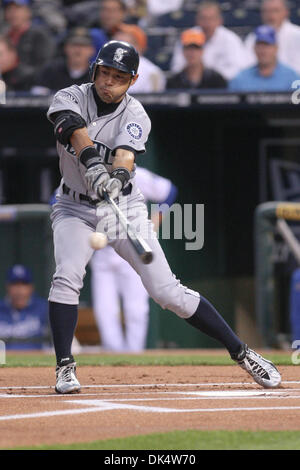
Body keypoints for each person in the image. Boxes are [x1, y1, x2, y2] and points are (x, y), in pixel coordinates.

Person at [46, 39, 281, 394]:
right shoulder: (70, 95)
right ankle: (65, 366)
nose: (108, 81)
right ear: (95, 70)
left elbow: (125, 156)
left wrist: (118, 177)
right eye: (104, 72)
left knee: (167, 292)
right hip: (73, 207)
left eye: (118, 76)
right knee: (66, 277)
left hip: (122, 206)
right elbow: (70, 128)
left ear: (133, 80)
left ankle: (243, 353)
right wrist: (93, 162)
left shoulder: (136, 114)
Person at [90, 166, 177, 352]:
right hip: (103, 251)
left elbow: (169, 191)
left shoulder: (137, 174)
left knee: (136, 310)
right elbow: (56, 199)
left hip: (132, 247)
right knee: (105, 311)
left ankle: (134, 357)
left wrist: (156, 220)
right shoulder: (88, 174)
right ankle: (114, 358)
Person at [170, 1, 247, 81]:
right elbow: (177, 68)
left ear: (220, 20)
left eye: (211, 19)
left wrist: (213, 78)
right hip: (191, 84)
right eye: (203, 18)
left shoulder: (231, 39)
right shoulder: (188, 37)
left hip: (222, 87)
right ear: (197, 20)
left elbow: (238, 69)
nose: (207, 23)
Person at [229, 25, 300, 92]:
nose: (263, 51)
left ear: (276, 48)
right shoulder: (240, 79)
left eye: (267, 45)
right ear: (254, 48)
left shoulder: (292, 78)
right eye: (259, 46)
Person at [1, 0, 56, 79]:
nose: (13, 13)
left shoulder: (40, 35)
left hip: (31, 83)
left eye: (18, 9)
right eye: (9, 9)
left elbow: (46, 65)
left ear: (28, 12)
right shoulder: (4, 34)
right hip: (7, 80)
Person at [32, 27, 95, 94]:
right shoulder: (51, 70)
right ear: (65, 48)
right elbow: (37, 98)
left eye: (83, 46)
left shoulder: (96, 75)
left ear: (91, 50)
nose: (78, 50)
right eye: (74, 45)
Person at [0, 265, 50, 350]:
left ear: (31, 287)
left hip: (36, 359)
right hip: (3, 360)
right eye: (15, 284)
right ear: (7, 287)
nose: (19, 290)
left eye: (24, 284)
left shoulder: (44, 308)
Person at [244, 0, 300, 75]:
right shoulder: (253, 37)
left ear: (286, 12)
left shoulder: (297, 34)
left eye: (275, 11)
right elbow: (246, 64)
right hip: (260, 81)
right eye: (266, 11)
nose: (270, 15)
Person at [113, 23, 166, 93]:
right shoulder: (105, 66)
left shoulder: (151, 72)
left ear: (137, 46)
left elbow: (153, 101)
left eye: (122, 43)